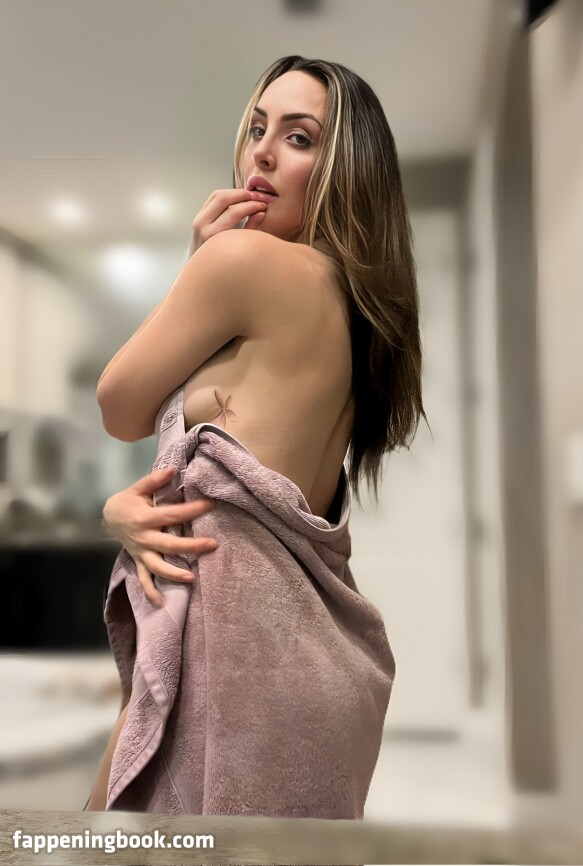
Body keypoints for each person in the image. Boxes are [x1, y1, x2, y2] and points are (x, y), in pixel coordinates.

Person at [85, 55, 429, 813]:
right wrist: (124, 511)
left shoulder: (243, 262)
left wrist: (198, 262)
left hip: (240, 679)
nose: (262, 154)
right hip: (310, 678)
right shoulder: (360, 318)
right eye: (256, 128)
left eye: (298, 138)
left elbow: (118, 405)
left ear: (344, 170)